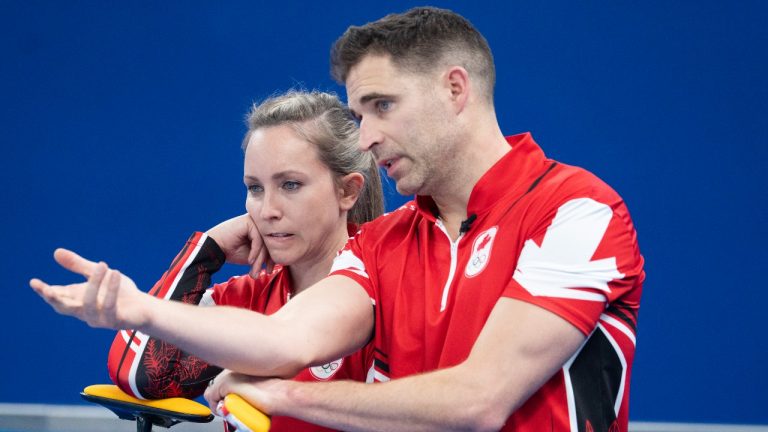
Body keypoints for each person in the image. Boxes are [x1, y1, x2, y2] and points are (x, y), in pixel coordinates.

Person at [31, 7, 644, 432]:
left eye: (382, 106)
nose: (368, 136)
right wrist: (138, 309)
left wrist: (286, 396)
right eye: (359, 114)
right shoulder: (382, 243)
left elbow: (479, 401)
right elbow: (282, 339)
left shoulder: (575, 210)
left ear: (455, 89)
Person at [66, 90, 385, 432]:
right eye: (255, 188)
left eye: (290, 185)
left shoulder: (387, 278)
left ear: (348, 191)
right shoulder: (245, 297)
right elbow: (140, 376)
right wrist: (205, 251)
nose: (267, 211)